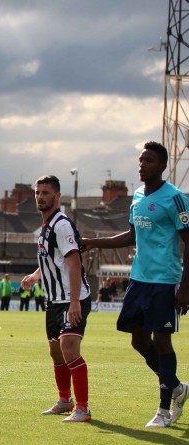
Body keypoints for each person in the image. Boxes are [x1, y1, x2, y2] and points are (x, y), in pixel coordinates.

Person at [80, 141, 189, 428]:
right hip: (139, 280)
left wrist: (186, 286)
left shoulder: (175, 198)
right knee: (138, 340)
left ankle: (165, 410)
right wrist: (94, 243)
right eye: (141, 160)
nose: (142, 165)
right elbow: (131, 235)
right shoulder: (138, 196)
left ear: (163, 166)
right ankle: (177, 388)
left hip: (165, 281)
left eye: (149, 161)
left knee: (162, 341)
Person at [21, 175, 92, 423]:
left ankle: (82, 408)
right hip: (53, 301)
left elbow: (73, 263)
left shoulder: (61, 225)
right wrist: (35, 275)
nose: (40, 197)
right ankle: (65, 400)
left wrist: (74, 302)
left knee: (69, 349)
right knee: (56, 352)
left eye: (46, 193)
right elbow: (54, 260)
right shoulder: (46, 226)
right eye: (38, 192)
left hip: (71, 299)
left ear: (57, 196)